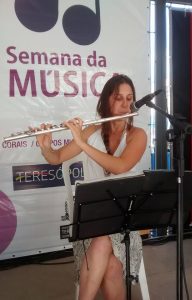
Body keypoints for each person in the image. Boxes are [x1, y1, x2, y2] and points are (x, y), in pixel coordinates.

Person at [36, 74, 147, 300]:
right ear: (107, 100)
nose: (126, 104)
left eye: (129, 98)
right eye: (119, 98)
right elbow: (56, 158)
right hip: (93, 220)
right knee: (108, 258)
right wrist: (45, 147)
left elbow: (120, 166)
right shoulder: (91, 131)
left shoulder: (138, 135)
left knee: (111, 264)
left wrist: (81, 144)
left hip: (124, 221)